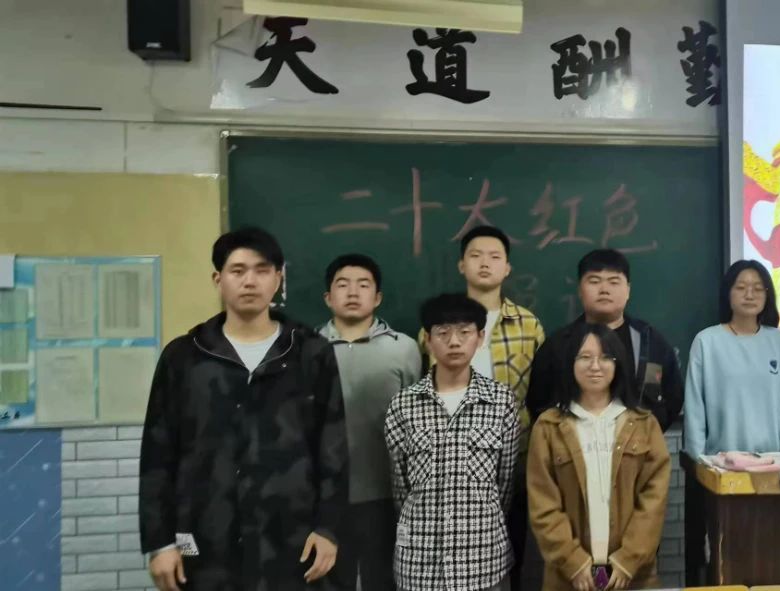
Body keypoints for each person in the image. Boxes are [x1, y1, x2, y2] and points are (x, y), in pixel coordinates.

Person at [139, 227, 348, 591]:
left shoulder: (310, 353)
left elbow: (333, 448)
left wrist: (328, 529)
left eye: (262, 270)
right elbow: (158, 454)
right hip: (205, 541)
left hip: (292, 541)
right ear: (218, 279)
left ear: (278, 279)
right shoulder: (184, 357)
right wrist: (159, 542)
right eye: (237, 270)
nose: (250, 281)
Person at [386, 293, 521, 591]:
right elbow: (400, 486)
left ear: (480, 337)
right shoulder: (403, 405)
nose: (454, 342)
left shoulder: (501, 402)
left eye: (464, 332)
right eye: (443, 333)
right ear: (427, 340)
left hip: (483, 561)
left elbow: (505, 482)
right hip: (420, 565)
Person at [527, 323, 670, 591]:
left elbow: (654, 500)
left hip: (633, 576)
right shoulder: (548, 427)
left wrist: (629, 559)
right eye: (585, 357)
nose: (595, 366)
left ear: (618, 364)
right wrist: (573, 562)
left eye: (605, 357)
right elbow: (543, 505)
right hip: (567, 578)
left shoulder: (643, 424)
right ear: (570, 363)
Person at [449, 226, 546, 591]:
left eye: (495, 257)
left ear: (507, 268)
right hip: (455, 462)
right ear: (461, 265)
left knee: (514, 550)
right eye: (475, 255)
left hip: (516, 456)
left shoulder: (528, 325)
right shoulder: (440, 327)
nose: (485, 263)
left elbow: (542, 393)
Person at [319, 253, 422, 591]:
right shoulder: (307, 350)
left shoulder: (404, 349)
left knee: (385, 580)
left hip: (387, 493)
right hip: (325, 496)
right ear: (328, 297)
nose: (353, 292)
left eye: (363, 285)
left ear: (377, 297)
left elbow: (417, 421)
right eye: (343, 285)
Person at [527, 249, 683, 432]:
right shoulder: (558, 344)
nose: (604, 290)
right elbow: (538, 401)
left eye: (614, 282)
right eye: (594, 281)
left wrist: (646, 434)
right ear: (580, 290)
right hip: (573, 445)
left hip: (638, 445)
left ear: (628, 290)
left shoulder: (650, 342)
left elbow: (673, 396)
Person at [683, 259, 780, 457]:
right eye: (741, 287)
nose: (750, 295)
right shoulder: (706, 342)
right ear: (728, 293)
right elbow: (695, 410)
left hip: (772, 463)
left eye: (758, 288)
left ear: (767, 295)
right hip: (721, 465)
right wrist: (699, 462)